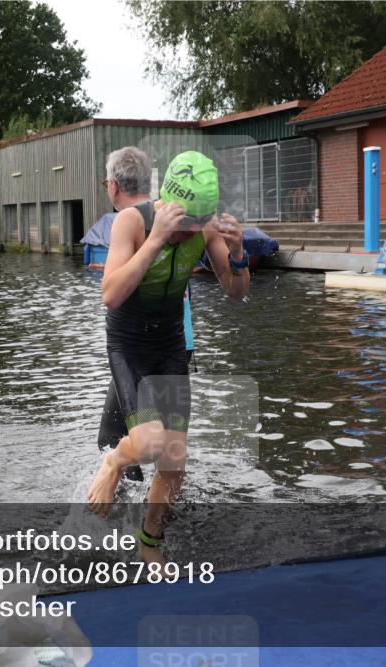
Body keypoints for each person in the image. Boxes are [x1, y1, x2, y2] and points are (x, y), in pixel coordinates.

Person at [87, 148, 250, 555]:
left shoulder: (205, 229)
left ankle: (150, 543)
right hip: (129, 346)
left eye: (196, 226)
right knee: (146, 443)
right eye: (183, 225)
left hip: (171, 347)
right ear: (168, 205)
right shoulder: (132, 222)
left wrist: (239, 257)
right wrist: (157, 238)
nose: (188, 235)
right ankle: (113, 463)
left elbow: (236, 292)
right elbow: (110, 294)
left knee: (174, 462)